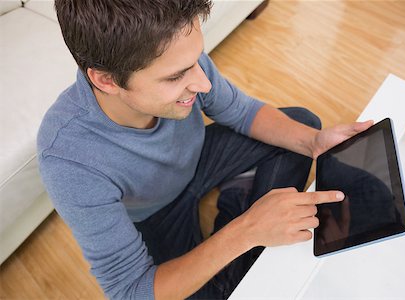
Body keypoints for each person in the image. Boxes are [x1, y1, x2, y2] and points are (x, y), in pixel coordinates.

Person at [37, 0, 372, 299]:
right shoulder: (68, 159)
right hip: (156, 214)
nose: (203, 83)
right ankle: (242, 213)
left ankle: (239, 212)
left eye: (197, 60)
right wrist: (246, 231)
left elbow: (241, 111)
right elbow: (130, 290)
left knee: (302, 123)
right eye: (175, 77)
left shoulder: (179, 54)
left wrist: (313, 142)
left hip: (200, 159)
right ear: (107, 80)